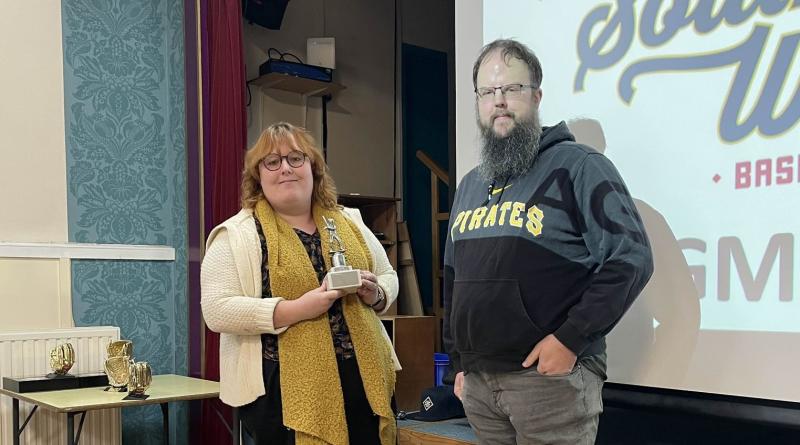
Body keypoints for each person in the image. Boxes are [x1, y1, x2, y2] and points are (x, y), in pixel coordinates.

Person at [443, 39, 654, 444]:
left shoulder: (580, 166)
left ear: (536, 96)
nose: (500, 101)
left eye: (512, 89)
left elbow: (631, 258)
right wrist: (459, 364)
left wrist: (570, 340)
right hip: (480, 386)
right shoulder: (470, 185)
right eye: (488, 92)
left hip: (548, 385)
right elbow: (454, 280)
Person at [201, 122, 399, 445]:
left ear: (313, 168)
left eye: (296, 158)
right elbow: (217, 309)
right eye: (272, 162)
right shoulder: (236, 234)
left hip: (364, 383)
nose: (286, 169)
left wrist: (376, 292)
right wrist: (295, 309)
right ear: (258, 177)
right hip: (279, 396)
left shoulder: (350, 221)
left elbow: (389, 277)